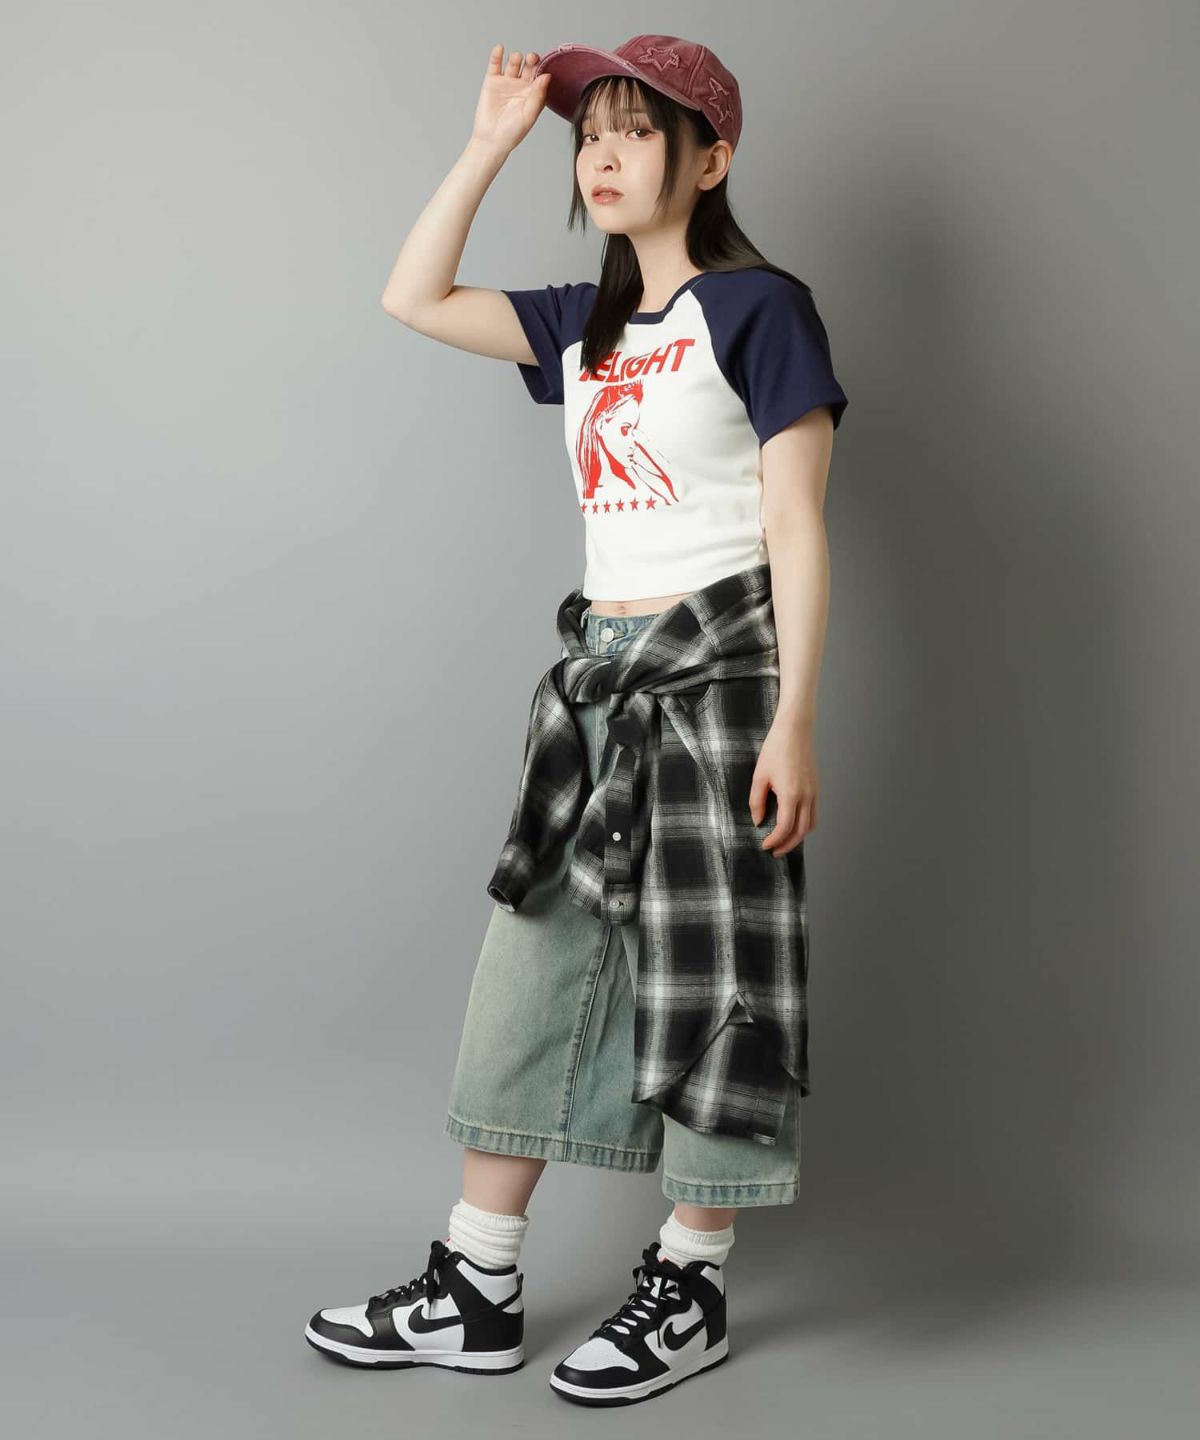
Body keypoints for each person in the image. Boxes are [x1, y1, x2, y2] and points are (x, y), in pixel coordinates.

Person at [304, 34, 849, 1407]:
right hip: (598, 684)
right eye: (587, 134)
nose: (602, 155)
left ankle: (693, 1280)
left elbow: (796, 525)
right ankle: (478, 1285)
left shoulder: (761, 310)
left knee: (717, 983)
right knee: (534, 969)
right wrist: (491, 142)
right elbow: (413, 294)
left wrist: (795, 720)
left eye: (636, 131)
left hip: (720, 682)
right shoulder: (584, 327)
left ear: (710, 160)